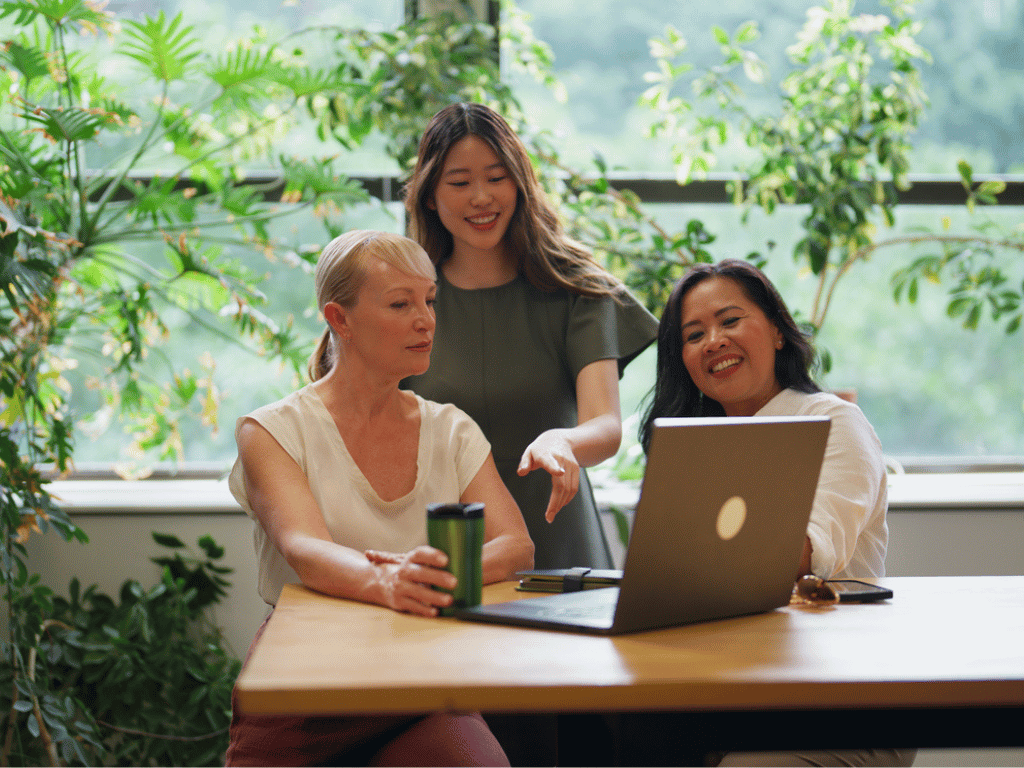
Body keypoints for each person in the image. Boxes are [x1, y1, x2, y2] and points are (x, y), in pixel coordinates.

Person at [224, 229, 534, 767]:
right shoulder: (271, 430)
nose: (426, 319)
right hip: (305, 684)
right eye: (400, 303)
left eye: (430, 300)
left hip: (420, 677)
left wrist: (428, 580)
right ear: (339, 318)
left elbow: (516, 546)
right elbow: (303, 547)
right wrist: (388, 581)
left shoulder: (451, 429)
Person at [635, 259, 915, 767]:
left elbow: (802, 560)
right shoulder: (694, 444)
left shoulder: (834, 422)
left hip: (836, 698)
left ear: (779, 333)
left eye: (730, 320)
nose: (713, 340)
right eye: (694, 334)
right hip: (728, 691)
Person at [403, 101, 659, 571]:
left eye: (497, 177)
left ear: (521, 184)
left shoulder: (575, 288)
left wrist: (563, 443)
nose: (481, 196)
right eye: (460, 183)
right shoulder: (406, 300)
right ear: (430, 197)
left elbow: (604, 426)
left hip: (559, 546)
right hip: (442, 553)